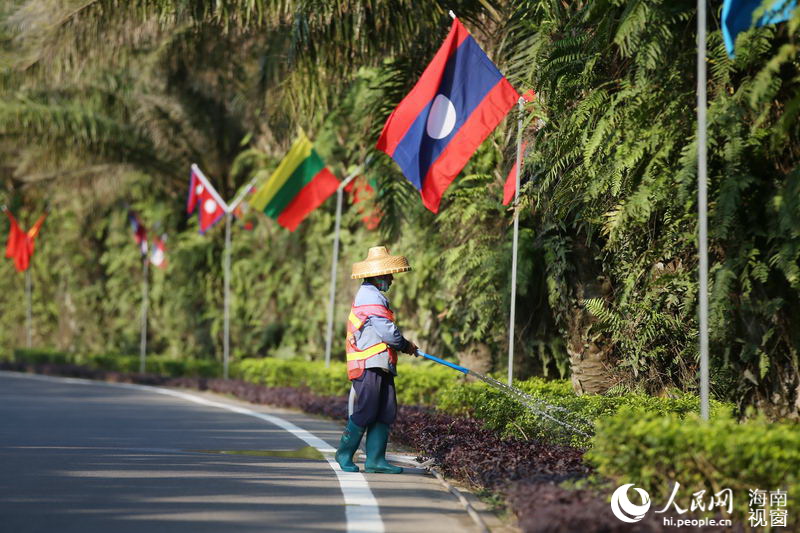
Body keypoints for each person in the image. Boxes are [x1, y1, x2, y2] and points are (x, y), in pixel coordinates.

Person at [335, 246, 418, 474]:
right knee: (367, 410)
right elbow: (388, 332)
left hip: (381, 363)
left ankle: (376, 461)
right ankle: (344, 453)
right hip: (368, 363)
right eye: (388, 275)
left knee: (385, 411)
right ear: (378, 275)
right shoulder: (369, 296)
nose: (391, 279)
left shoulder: (376, 295)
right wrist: (406, 345)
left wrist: (403, 345)